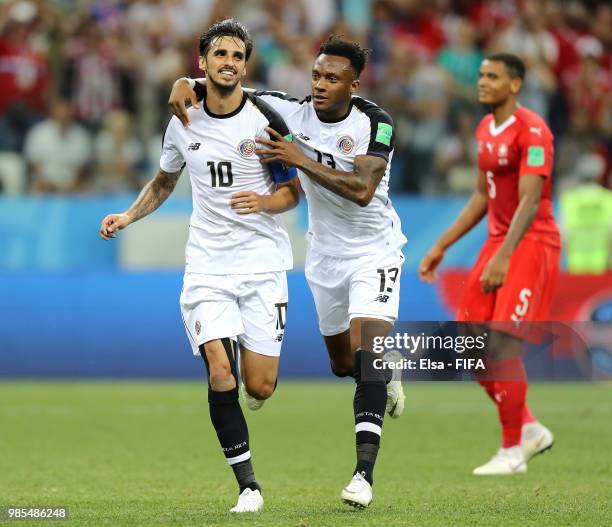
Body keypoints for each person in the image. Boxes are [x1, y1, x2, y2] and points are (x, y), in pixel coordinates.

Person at [169, 35, 407, 509]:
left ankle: (363, 475)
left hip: (375, 250)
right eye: (316, 75)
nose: (320, 85)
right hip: (323, 256)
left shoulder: (375, 123)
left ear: (353, 84)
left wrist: (300, 159)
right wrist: (184, 82)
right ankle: (382, 365)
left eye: (332, 78)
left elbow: (362, 188)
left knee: (369, 351)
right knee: (345, 364)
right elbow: (228, 87)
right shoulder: (289, 112)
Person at [100, 20, 299, 513]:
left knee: (260, 385)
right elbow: (164, 183)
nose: (229, 62)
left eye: (237, 55)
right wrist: (128, 215)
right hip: (207, 265)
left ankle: (245, 371)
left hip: (262, 263)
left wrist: (264, 203)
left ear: (245, 65)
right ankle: (248, 486)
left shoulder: (265, 120)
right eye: (220, 54)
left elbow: (292, 192)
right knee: (219, 370)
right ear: (203, 62)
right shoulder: (182, 120)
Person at [420, 53, 559, 475]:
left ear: (514, 85)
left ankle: (511, 451)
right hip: (498, 242)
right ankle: (530, 427)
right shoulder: (484, 128)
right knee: (470, 346)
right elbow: (483, 196)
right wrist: (442, 244)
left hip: (531, 243)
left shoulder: (534, 131)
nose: (482, 82)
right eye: (480, 75)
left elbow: (531, 200)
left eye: (492, 76)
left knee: (501, 346)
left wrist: (503, 255)